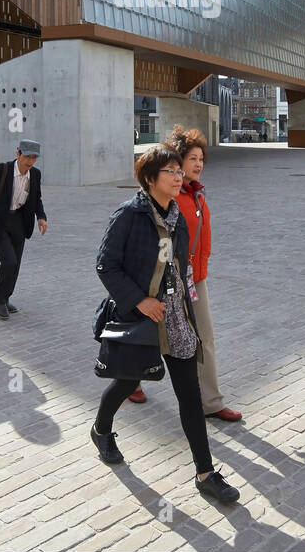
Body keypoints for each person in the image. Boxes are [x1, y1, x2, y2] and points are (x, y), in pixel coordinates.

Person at [91, 144, 241, 505]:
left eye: (180, 171)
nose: (179, 177)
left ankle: (205, 473)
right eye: (170, 172)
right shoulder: (128, 216)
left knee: (189, 394)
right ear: (149, 178)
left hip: (175, 316)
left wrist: (188, 307)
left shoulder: (177, 215)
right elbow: (105, 265)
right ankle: (101, 430)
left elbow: (180, 265)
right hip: (141, 317)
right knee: (126, 382)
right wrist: (140, 300)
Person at [126, 126, 243, 419]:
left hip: (195, 280)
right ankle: (128, 381)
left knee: (204, 337)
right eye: (192, 158)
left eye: (201, 158)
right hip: (164, 279)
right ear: (177, 162)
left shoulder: (197, 195)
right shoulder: (171, 196)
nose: (199, 164)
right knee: (149, 335)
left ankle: (211, 403)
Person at [0, 140, 47, 319]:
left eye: (34, 158)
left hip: (19, 220)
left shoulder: (35, 174)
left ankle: (6, 296)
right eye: (27, 157)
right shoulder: (2, 170)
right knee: (8, 261)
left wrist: (41, 217)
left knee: (15, 263)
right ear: (18, 154)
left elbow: (36, 197)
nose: (30, 161)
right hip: (0, 222)